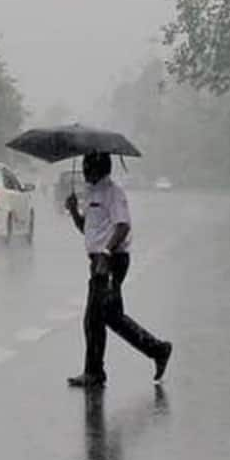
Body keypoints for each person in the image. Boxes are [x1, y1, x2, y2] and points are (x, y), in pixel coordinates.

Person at [65, 152, 172, 387]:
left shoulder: (113, 193)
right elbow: (90, 230)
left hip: (111, 261)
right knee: (109, 317)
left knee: (95, 318)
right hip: (99, 261)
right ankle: (157, 349)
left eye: (87, 165)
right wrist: (74, 212)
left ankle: (95, 372)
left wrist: (106, 253)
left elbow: (122, 226)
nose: (83, 170)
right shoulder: (93, 194)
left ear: (99, 167)